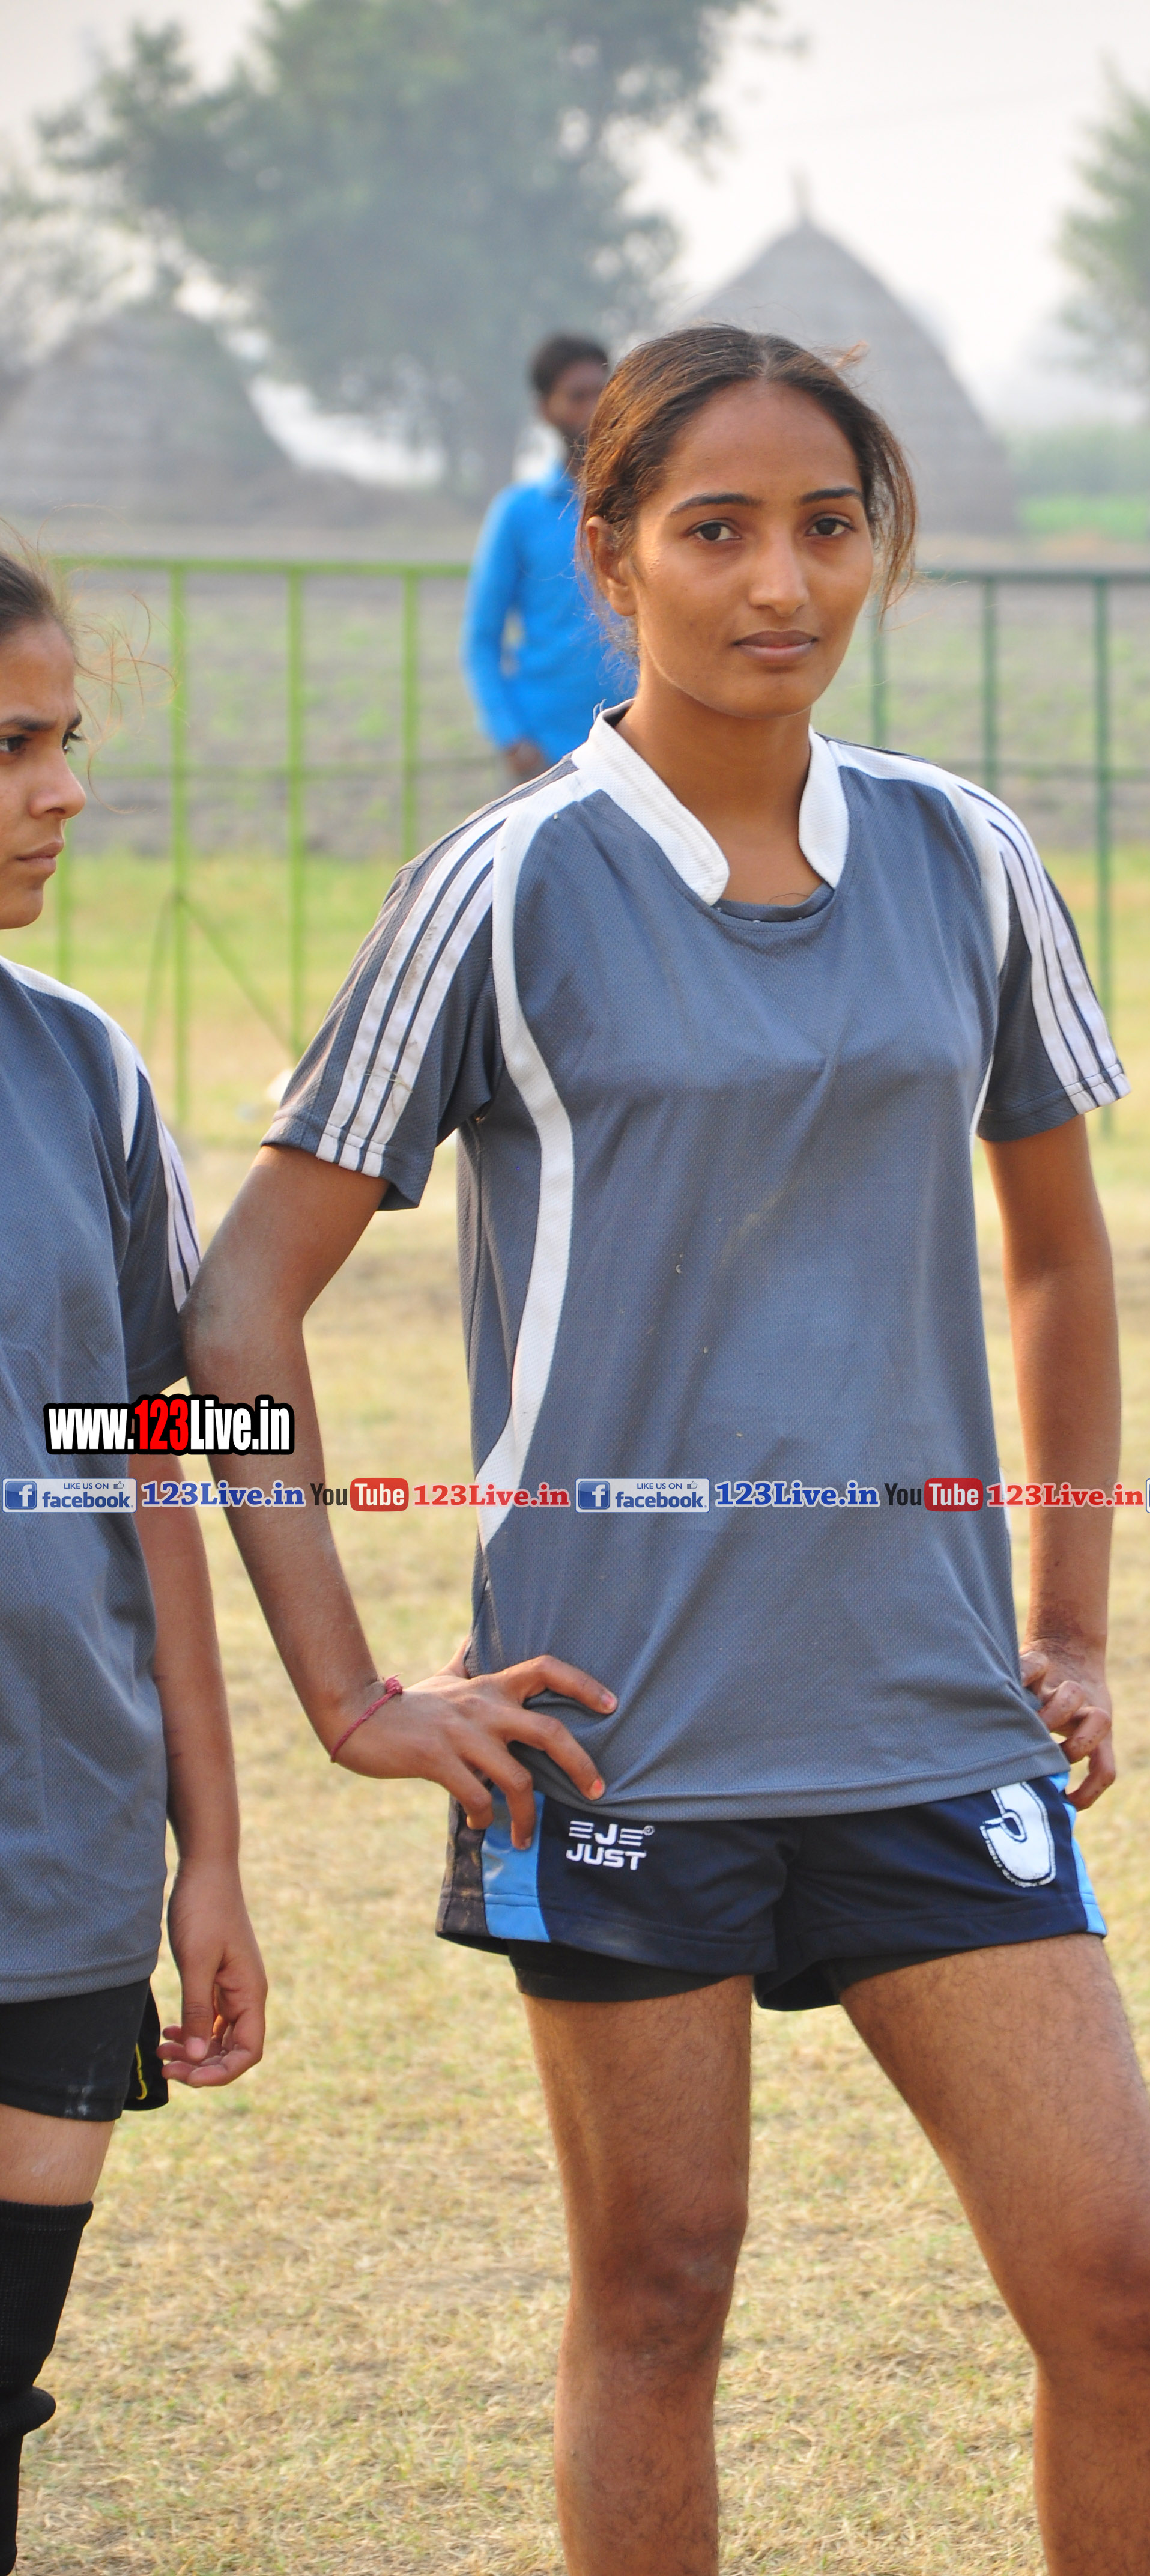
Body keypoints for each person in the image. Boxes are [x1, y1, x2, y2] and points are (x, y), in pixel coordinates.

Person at [186, 324, 1150, 2572]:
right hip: (614, 1737)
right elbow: (232, 1309)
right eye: (716, 529)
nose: (779, 582)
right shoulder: (506, 883)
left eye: (826, 527)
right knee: (658, 2292)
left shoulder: (962, 854)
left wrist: (1067, 1620)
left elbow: (1053, 1256)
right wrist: (350, 1690)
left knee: (1122, 2277)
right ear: (608, 551)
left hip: (930, 1717)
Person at [0, 547, 266, 2574]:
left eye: (67, 738)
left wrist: (215, 1850)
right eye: (16, 744)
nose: (66, 788)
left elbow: (160, 1455)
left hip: (56, 1859)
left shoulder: (86, 1073)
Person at [461, 332, 635, 783]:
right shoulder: (519, 514)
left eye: (602, 393)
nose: (593, 410)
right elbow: (482, 638)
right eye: (577, 397)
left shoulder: (644, 506)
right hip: (545, 754)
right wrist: (511, 737)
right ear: (545, 410)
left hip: (639, 748)